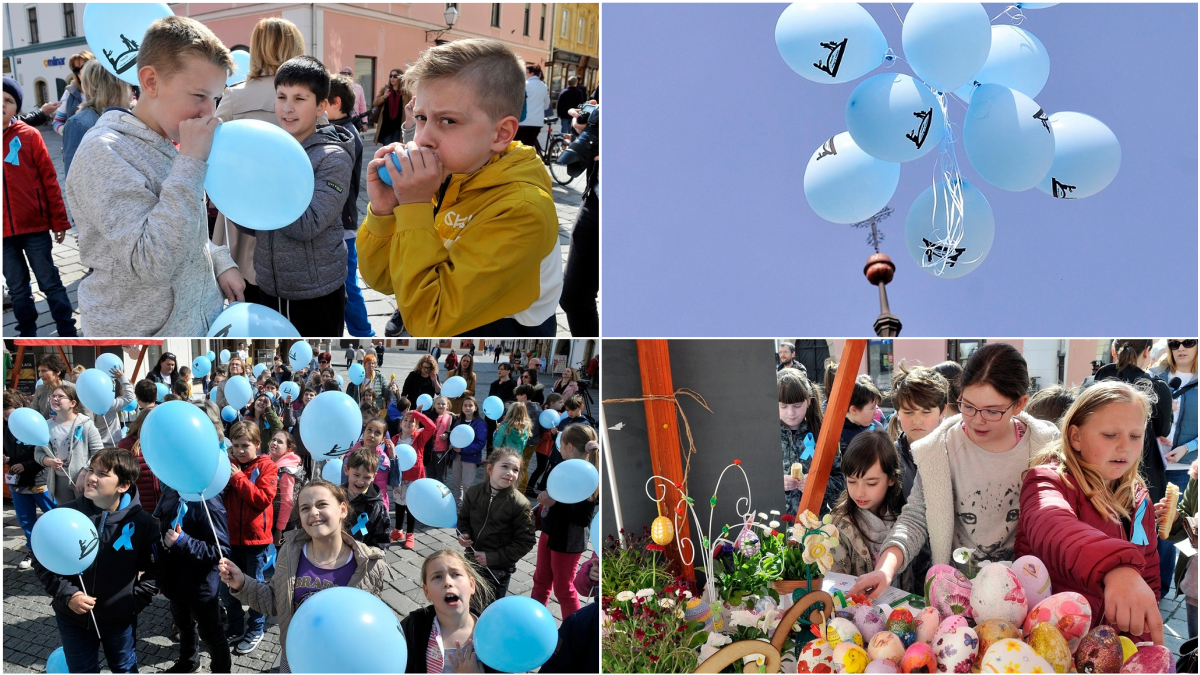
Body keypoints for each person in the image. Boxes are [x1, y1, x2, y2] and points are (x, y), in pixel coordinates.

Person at [358, 40, 562, 337]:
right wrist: (384, 212)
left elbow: (429, 320)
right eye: (422, 117)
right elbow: (384, 279)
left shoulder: (523, 210)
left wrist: (415, 208)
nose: (424, 137)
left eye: (448, 120)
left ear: (501, 133)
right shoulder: (450, 173)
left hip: (499, 328)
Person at [66, 16, 244, 336]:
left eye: (215, 99)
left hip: (193, 319)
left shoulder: (166, 139)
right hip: (145, 334)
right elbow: (151, 262)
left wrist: (217, 260)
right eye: (199, 96)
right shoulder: (103, 152)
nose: (210, 113)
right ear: (150, 82)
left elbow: (181, 224)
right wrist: (190, 161)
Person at [849, 343, 1061, 603]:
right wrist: (885, 569)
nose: (976, 420)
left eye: (992, 411)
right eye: (968, 406)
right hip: (957, 595)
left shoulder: (1044, 446)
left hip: (1024, 594)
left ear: (1019, 404)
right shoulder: (940, 449)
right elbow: (915, 518)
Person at [1016, 380, 1164, 645]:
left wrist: (1141, 640)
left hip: (1108, 648)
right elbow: (1052, 524)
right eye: (1110, 435)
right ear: (1076, 437)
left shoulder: (1139, 499)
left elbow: (1148, 575)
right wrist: (1116, 568)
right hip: (1050, 641)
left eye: (1135, 435)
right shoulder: (1048, 481)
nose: (1125, 447)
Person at [220, 480, 392, 673]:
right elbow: (276, 601)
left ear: (342, 510)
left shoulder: (368, 564)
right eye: (305, 508)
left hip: (341, 663)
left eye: (322, 504)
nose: (314, 512)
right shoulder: (290, 552)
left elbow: (369, 627)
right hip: (294, 657)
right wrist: (242, 583)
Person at [33, 449, 160, 674]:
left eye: (102, 474)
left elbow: (156, 570)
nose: (91, 477)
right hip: (72, 618)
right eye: (91, 470)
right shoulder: (65, 515)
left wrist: (132, 602)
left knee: (124, 667)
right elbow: (42, 560)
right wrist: (68, 594)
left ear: (123, 485)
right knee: (81, 669)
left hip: (119, 620)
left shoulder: (143, 523)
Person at [253, 55, 352, 336]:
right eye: (281, 96)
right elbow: (249, 221)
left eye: (300, 98)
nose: (287, 107)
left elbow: (306, 224)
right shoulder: (270, 148)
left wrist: (264, 187)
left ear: (321, 105)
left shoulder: (332, 159)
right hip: (270, 287)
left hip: (316, 292)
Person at [212, 17, 307, 305]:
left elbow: (214, 151)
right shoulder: (305, 96)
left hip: (242, 209)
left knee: (247, 294)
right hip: (293, 206)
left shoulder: (235, 94)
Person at [1094, 340, 1174, 594]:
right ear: (1148, 352)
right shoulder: (1158, 386)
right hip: (1142, 476)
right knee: (1141, 535)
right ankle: (1145, 590)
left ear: (1116, 350)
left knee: (1104, 530)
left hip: (1100, 473)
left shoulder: (1103, 375)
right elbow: (1163, 430)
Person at [2, 77, 79, 337]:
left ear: (17, 108)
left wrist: (59, 221)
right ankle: (26, 332)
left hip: (34, 225)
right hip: (3, 234)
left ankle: (66, 327)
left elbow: (49, 180)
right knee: (17, 288)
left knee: (49, 281)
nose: (2, 105)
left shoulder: (29, 135)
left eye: (8, 101)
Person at [152, 483, 232, 674]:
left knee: (211, 635)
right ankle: (189, 663)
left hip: (199, 586)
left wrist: (183, 542)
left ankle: (221, 670)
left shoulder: (209, 501)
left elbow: (221, 551)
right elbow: (162, 532)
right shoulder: (172, 492)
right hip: (174, 580)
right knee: (184, 626)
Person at [829, 431, 919, 594]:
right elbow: (835, 588)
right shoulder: (837, 527)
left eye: (871, 483)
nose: (859, 492)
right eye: (852, 481)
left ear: (891, 479)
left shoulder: (904, 517)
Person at [221, 421, 278, 656]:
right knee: (227, 586)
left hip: (256, 540)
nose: (240, 450)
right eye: (235, 445)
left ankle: (256, 628)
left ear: (257, 444)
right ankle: (235, 626)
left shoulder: (267, 466)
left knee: (254, 585)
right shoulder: (228, 464)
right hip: (229, 538)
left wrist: (237, 479)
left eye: (246, 445)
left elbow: (263, 498)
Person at [531, 424, 598, 619]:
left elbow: (584, 518)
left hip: (568, 541)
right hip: (549, 532)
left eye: (560, 443)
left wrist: (553, 504)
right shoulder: (564, 468)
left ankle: (573, 631)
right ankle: (535, 621)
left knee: (563, 589)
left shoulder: (587, 474)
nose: (558, 448)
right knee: (540, 580)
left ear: (569, 446)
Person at [327, 73, 375, 338]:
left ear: (335, 102)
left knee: (348, 286)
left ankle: (363, 332)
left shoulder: (343, 134)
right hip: (342, 220)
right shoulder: (344, 129)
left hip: (342, 222)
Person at [457, 447, 536, 607]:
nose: (510, 472)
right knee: (469, 604)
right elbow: (463, 519)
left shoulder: (520, 504)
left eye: (515, 470)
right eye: (505, 466)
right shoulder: (474, 492)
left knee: (491, 608)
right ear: (490, 469)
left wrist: (492, 557)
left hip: (498, 571)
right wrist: (464, 534)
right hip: (471, 562)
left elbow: (525, 541)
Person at [401, 550, 493, 673]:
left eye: (455, 574)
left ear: (472, 585)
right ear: (427, 591)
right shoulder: (413, 626)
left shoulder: (492, 634)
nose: (448, 583)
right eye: (437, 577)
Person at [4, 389, 55, 570]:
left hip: (39, 480)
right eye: (3, 416)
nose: (6, 419)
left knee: (52, 516)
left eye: (8, 414)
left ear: (20, 407)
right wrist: (6, 457)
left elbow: (46, 455)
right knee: (26, 520)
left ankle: (56, 548)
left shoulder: (36, 423)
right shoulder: (4, 427)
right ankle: (33, 550)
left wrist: (26, 465)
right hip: (17, 481)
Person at [777, 368, 834, 517]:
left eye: (797, 405)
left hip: (815, 523)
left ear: (808, 401)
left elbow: (841, 479)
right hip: (776, 526)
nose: (791, 413)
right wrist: (776, 484)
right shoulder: (766, 437)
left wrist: (818, 485)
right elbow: (753, 479)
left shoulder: (822, 434)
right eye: (783, 406)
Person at [36, 382, 104, 507]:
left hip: (84, 479)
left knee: (88, 512)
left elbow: (99, 452)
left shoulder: (85, 424)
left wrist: (84, 473)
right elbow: (38, 452)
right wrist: (48, 461)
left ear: (73, 403)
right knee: (67, 512)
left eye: (60, 396)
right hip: (59, 481)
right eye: (53, 396)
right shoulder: (45, 425)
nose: (55, 399)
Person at [62, 60, 132, 177]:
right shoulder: (79, 124)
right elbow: (76, 179)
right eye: (126, 84)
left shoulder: (123, 116)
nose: (130, 89)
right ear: (113, 86)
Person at [889, 364, 949, 497]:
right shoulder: (889, 456)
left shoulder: (955, 450)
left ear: (942, 410)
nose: (917, 420)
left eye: (926, 412)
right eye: (908, 412)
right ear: (898, 412)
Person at [392, 408, 437, 549]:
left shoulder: (419, 437)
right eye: (405, 420)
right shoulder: (395, 439)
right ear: (400, 423)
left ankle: (410, 534)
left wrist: (416, 414)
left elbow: (432, 426)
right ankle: (398, 530)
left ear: (416, 426)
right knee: (399, 504)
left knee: (411, 507)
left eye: (412, 422)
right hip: (399, 479)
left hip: (414, 478)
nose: (408, 423)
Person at [1161, 339, 1198, 487]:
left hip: (1185, 469)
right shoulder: (1154, 376)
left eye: (1188, 343)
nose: (1181, 348)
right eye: (1175, 344)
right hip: (1150, 465)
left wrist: (1187, 448)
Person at [342, 446, 394, 549]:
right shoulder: (336, 496)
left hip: (361, 558)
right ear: (346, 470)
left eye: (366, 477)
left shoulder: (377, 506)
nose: (360, 481)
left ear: (374, 476)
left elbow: (382, 540)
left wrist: (371, 554)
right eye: (356, 475)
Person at [268, 430, 306, 546]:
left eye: (280, 442)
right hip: (270, 518)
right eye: (274, 439)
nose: (274, 443)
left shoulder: (286, 472)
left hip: (283, 524)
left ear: (288, 449)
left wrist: (279, 530)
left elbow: (287, 502)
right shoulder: (267, 462)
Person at [449, 397, 488, 506]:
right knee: (457, 484)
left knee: (467, 485)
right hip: (457, 457)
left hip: (470, 458)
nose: (467, 408)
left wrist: (463, 449)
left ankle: (468, 507)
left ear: (475, 408)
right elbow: (453, 436)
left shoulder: (480, 423)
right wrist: (450, 445)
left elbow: (480, 443)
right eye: (465, 405)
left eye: (470, 405)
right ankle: (458, 505)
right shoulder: (458, 421)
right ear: (461, 408)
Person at [51, 50, 95, 134]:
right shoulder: (70, 92)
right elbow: (57, 121)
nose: (81, 72)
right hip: (77, 145)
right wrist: (68, 133)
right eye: (77, 69)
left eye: (85, 67)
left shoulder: (107, 90)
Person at [514, 63, 550, 152]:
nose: (525, 75)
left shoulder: (525, 84)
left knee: (517, 148)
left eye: (526, 72)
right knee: (528, 147)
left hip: (523, 121)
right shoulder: (544, 86)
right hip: (537, 122)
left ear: (532, 73)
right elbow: (546, 105)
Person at [842, 375, 881, 452]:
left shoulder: (877, 427)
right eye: (872, 408)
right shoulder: (840, 437)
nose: (876, 412)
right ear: (854, 410)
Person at [372, 68, 407, 145]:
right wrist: (384, 97)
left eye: (395, 76)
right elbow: (375, 103)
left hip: (398, 125)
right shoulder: (385, 89)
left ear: (400, 77)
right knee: (387, 148)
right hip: (386, 125)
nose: (392, 78)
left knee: (396, 148)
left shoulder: (405, 92)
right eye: (391, 76)